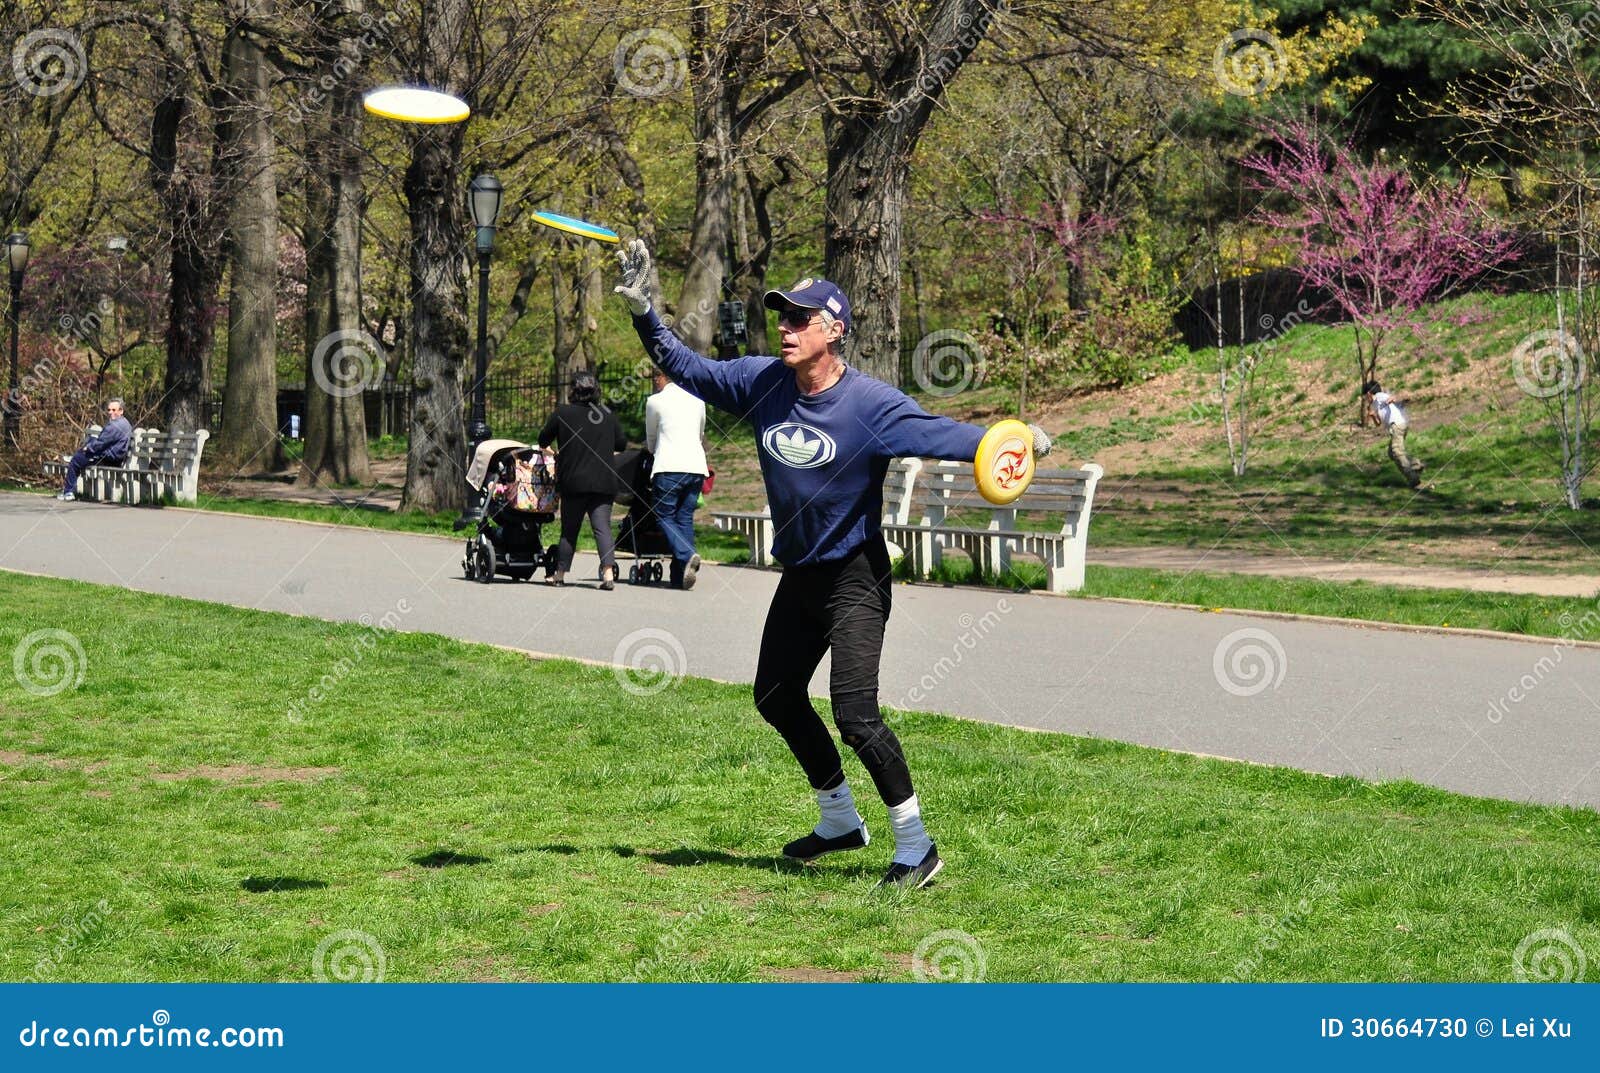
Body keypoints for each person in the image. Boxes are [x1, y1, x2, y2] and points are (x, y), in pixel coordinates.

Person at [614, 240, 1050, 890]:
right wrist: (645, 311)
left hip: (855, 575)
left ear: (834, 329)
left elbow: (940, 433)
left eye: (800, 318)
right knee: (775, 694)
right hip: (801, 574)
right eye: (782, 317)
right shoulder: (762, 383)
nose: (785, 328)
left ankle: (917, 846)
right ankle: (840, 819)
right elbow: (686, 364)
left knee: (855, 713)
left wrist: (1011, 440)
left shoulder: (870, 405)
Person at [538, 370, 628, 590]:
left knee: (570, 529)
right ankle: (608, 575)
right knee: (602, 528)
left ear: (573, 391)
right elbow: (621, 444)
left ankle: (559, 575)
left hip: (574, 481)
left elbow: (543, 440)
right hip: (604, 481)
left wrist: (556, 452)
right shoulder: (606, 414)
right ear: (596, 391)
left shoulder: (562, 413)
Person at [645, 367, 709, 590]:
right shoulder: (698, 400)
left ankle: (687, 553)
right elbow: (700, 435)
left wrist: (653, 451)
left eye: (655, 378)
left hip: (669, 466)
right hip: (696, 467)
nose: (655, 383)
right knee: (684, 518)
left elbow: (651, 439)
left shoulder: (655, 401)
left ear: (663, 377)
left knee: (663, 515)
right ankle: (679, 575)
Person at [57, 398, 132, 501]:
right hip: (115, 456)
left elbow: (100, 444)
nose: (110, 413)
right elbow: (103, 442)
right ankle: (75, 457)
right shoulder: (125, 423)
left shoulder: (114, 426)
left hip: (109, 458)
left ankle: (68, 492)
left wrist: (88, 448)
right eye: (109, 410)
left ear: (121, 411)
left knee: (76, 461)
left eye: (114, 410)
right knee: (91, 440)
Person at [1364, 379, 1423, 488]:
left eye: (1365, 397)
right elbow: (1378, 423)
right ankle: (1415, 464)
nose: (1365, 400)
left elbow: (1402, 398)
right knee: (1392, 453)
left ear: (1368, 394)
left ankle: (1413, 478)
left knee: (1397, 451)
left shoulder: (1380, 396)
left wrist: (1394, 398)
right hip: (1399, 425)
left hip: (1397, 424)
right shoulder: (1374, 405)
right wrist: (1373, 416)